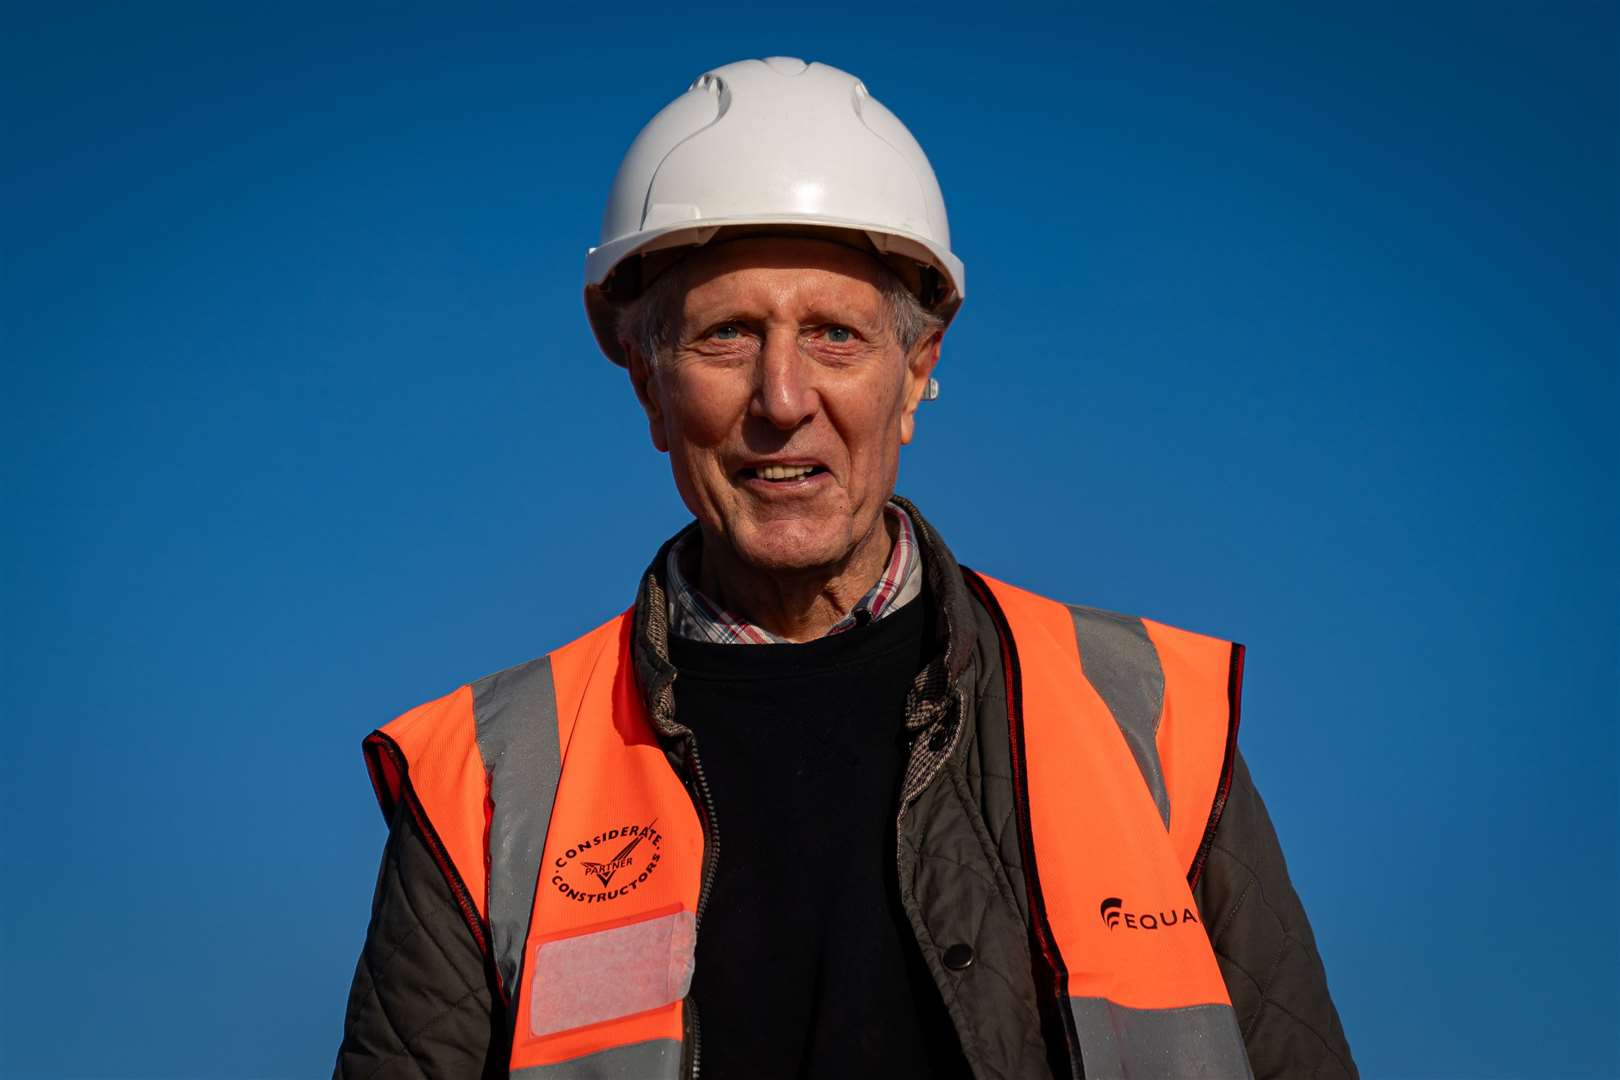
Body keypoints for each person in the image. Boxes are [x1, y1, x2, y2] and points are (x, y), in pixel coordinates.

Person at [334, 57, 1357, 1080]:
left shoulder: (1150, 722)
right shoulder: (485, 784)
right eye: (728, 335)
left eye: (834, 335)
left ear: (916, 373)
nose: (783, 398)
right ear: (649, 382)